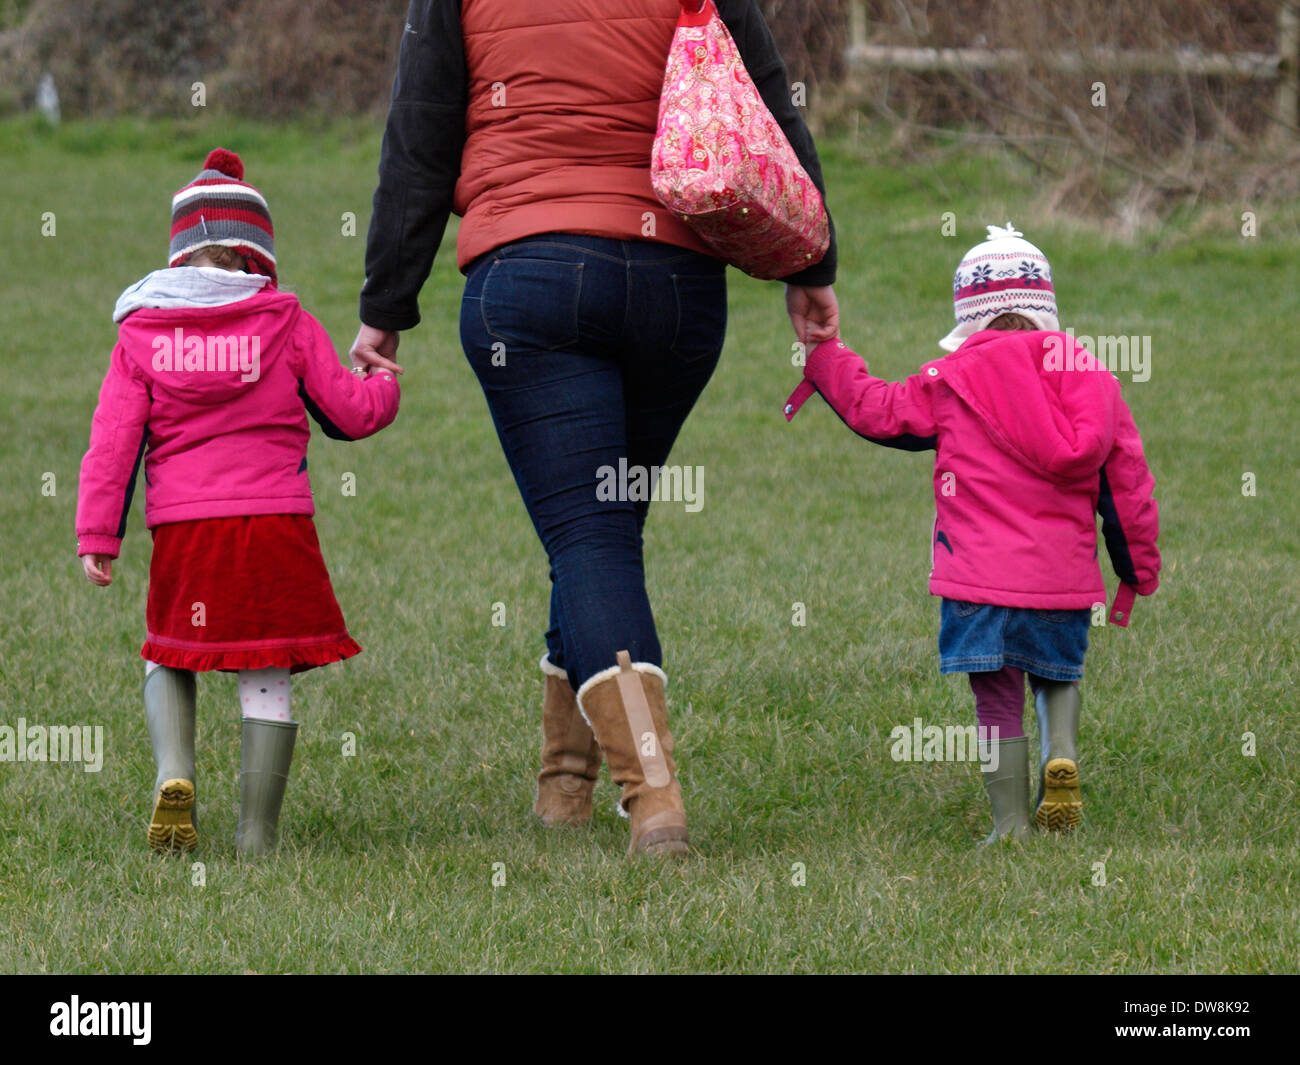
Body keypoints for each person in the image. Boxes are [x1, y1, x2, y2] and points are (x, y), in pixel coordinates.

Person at [349, 0, 838, 856]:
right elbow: (767, 103)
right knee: (598, 531)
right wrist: (812, 263)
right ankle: (563, 786)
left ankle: (654, 799)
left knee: (588, 537)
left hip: (529, 279)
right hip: (678, 294)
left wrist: (386, 305)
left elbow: (418, 134)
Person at [785, 224, 1160, 844]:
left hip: (977, 583)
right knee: (1057, 675)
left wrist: (826, 355)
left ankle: (1010, 823)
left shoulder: (951, 379)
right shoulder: (1095, 379)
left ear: (970, 314)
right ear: (1046, 309)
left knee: (996, 699)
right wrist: (1136, 568)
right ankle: (1060, 752)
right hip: (1061, 583)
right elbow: (1127, 491)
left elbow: (875, 411)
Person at [76, 149, 400, 856]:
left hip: (185, 532)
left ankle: (174, 771)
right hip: (273, 527)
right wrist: (383, 383)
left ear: (178, 256)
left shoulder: (142, 332)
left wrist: (99, 534)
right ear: (259, 255)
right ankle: (256, 833)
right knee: (265, 668)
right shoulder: (284, 319)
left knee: (170, 650)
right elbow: (348, 413)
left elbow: (112, 442)